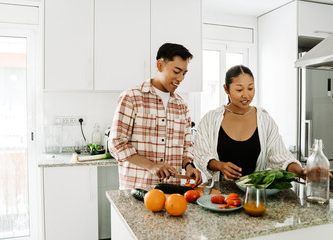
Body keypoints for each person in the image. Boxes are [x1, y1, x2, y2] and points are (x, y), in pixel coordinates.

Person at [109, 43, 202, 189]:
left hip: (172, 192)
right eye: (177, 71)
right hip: (137, 190)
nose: (181, 78)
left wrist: (189, 166)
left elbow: (187, 146)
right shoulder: (131, 97)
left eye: (184, 73)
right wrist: (151, 165)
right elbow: (116, 143)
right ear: (160, 65)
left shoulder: (182, 106)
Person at [194, 65, 305, 185]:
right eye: (239, 90)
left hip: (256, 196)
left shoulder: (265, 120)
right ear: (226, 89)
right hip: (219, 195)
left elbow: (281, 157)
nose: (246, 95)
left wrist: (301, 172)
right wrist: (220, 166)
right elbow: (201, 154)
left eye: (250, 88)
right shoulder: (210, 119)